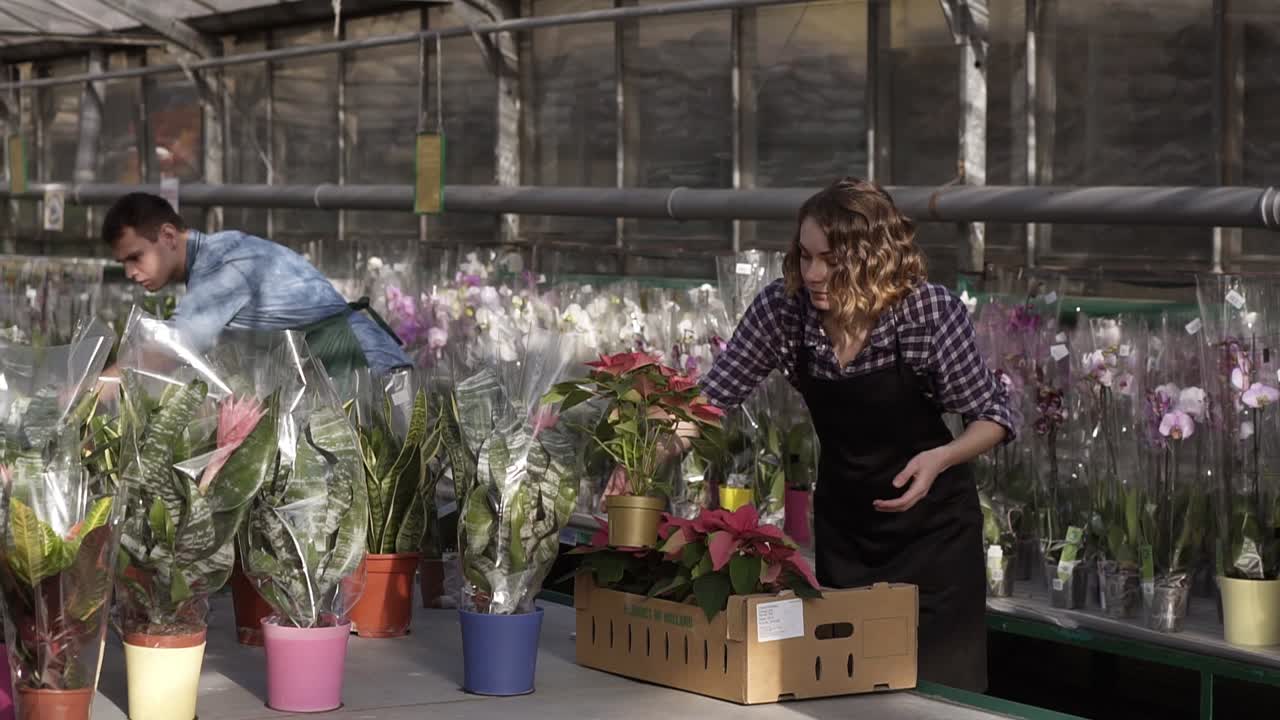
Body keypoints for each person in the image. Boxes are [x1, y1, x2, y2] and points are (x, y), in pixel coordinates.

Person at [696, 177, 1015, 693]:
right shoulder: (785, 311)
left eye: (831, 259)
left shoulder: (925, 312)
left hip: (934, 537)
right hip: (848, 530)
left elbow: (994, 417)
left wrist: (940, 458)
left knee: (940, 696)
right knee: (850, 686)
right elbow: (713, 397)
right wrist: (651, 443)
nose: (814, 273)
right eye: (805, 256)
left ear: (873, 257)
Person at [99, 192, 411, 384]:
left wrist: (93, 391)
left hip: (368, 370)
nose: (129, 272)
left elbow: (171, 348)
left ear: (167, 236)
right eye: (123, 262)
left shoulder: (221, 264)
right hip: (345, 372)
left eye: (135, 257)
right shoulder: (218, 254)